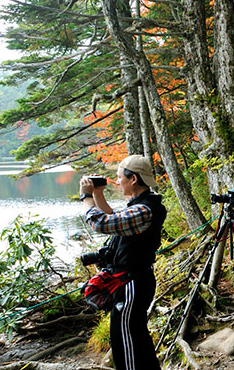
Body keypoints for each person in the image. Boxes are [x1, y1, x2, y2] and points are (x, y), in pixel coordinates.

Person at [79, 155, 166, 370]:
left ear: (133, 179)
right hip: (129, 282)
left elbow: (99, 222)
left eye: (120, 178)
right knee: (136, 339)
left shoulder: (145, 210)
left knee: (125, 344)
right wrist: (98, 194)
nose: (118, 182)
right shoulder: (141, 206)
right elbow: (112, 217)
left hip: (131, 283)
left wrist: (86, 197)